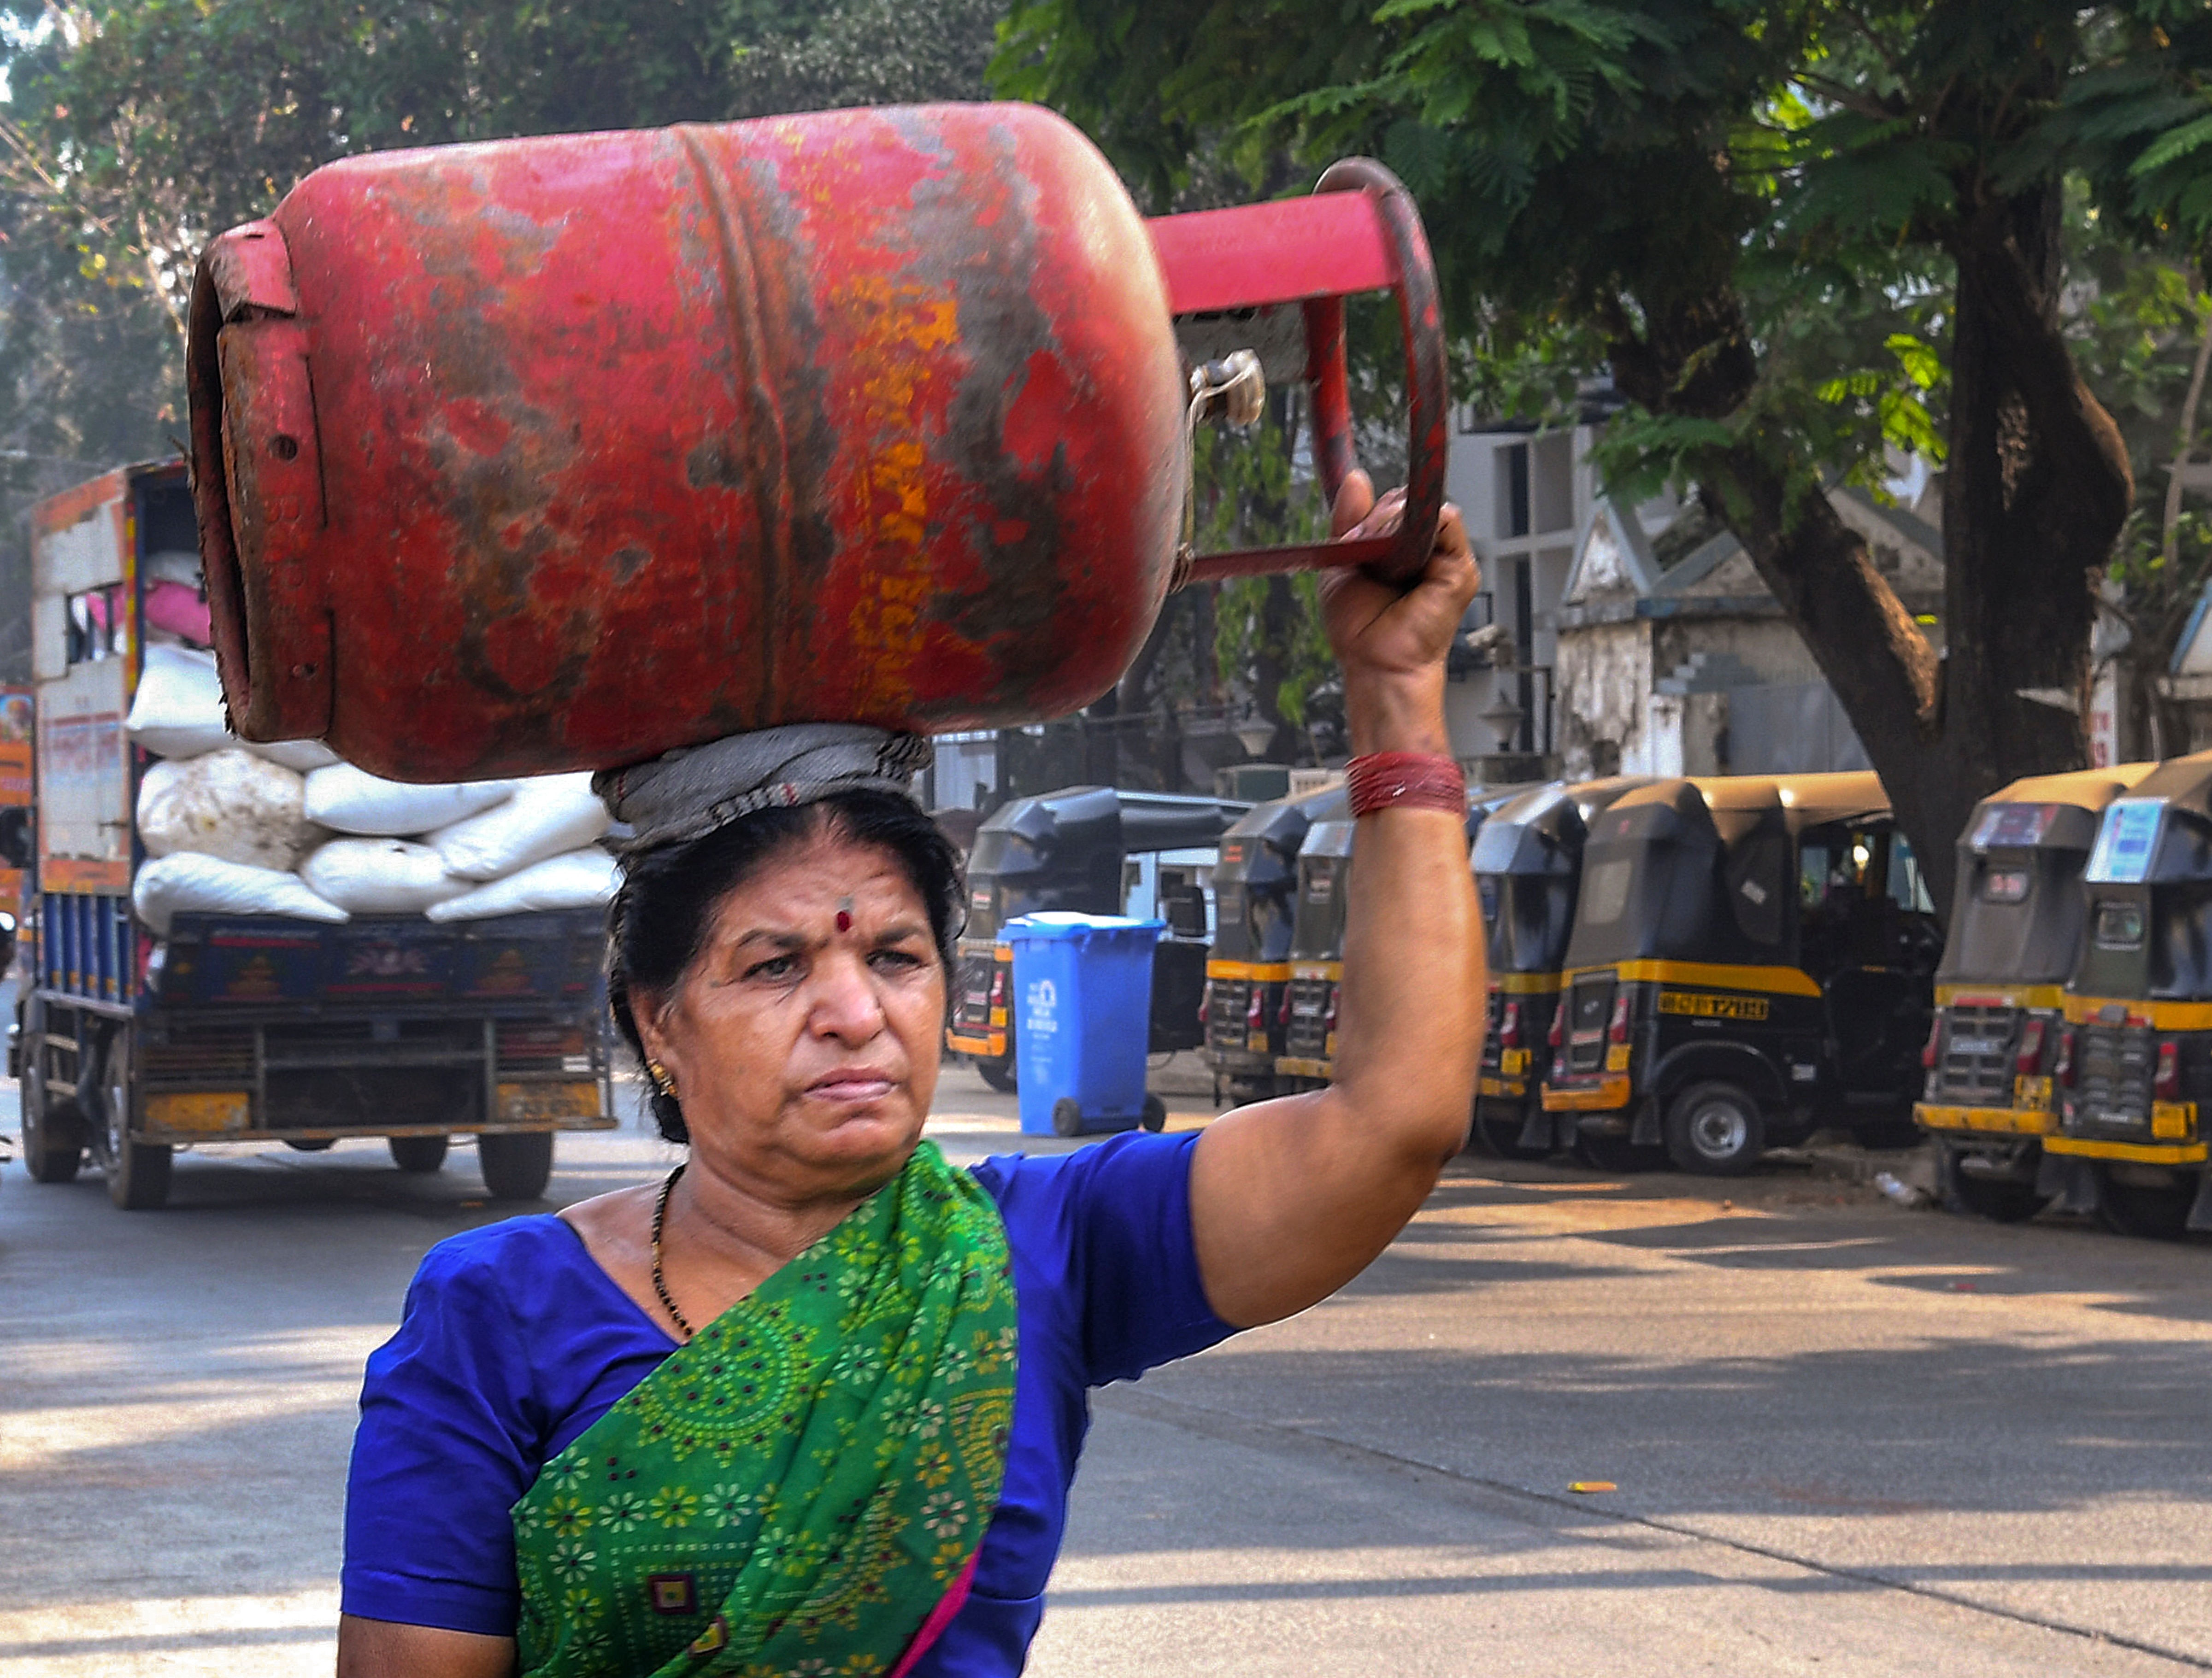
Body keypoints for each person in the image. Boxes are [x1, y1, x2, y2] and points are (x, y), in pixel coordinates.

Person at [336, 470, 1486, 1678]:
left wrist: (1397, 696)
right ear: (657, 1021)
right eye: (776, 966)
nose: (854, 1012)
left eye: (895, 954)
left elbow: (1393, 1122)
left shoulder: (1037, 1252)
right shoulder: (497, 1314)